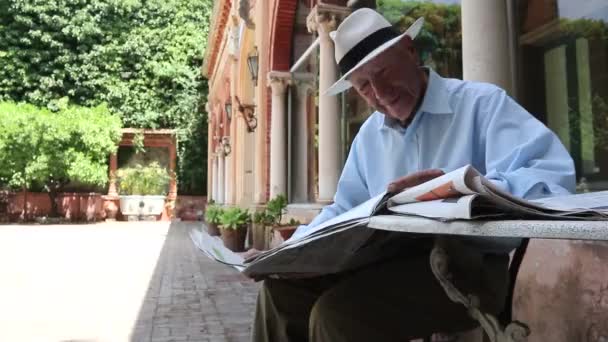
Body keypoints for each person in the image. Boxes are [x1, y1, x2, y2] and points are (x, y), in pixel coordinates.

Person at [250, 8, 575, 342]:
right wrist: (288, 250)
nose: (381, 93)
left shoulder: (481, 104)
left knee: (337, 315)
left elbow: (551, 180)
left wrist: (463, 189)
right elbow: (343, 210)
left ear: (409, 49)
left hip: (466, 269)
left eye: (384, 72)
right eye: (364, 88)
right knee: (279, 293)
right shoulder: (369, 136)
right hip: (380, 265)